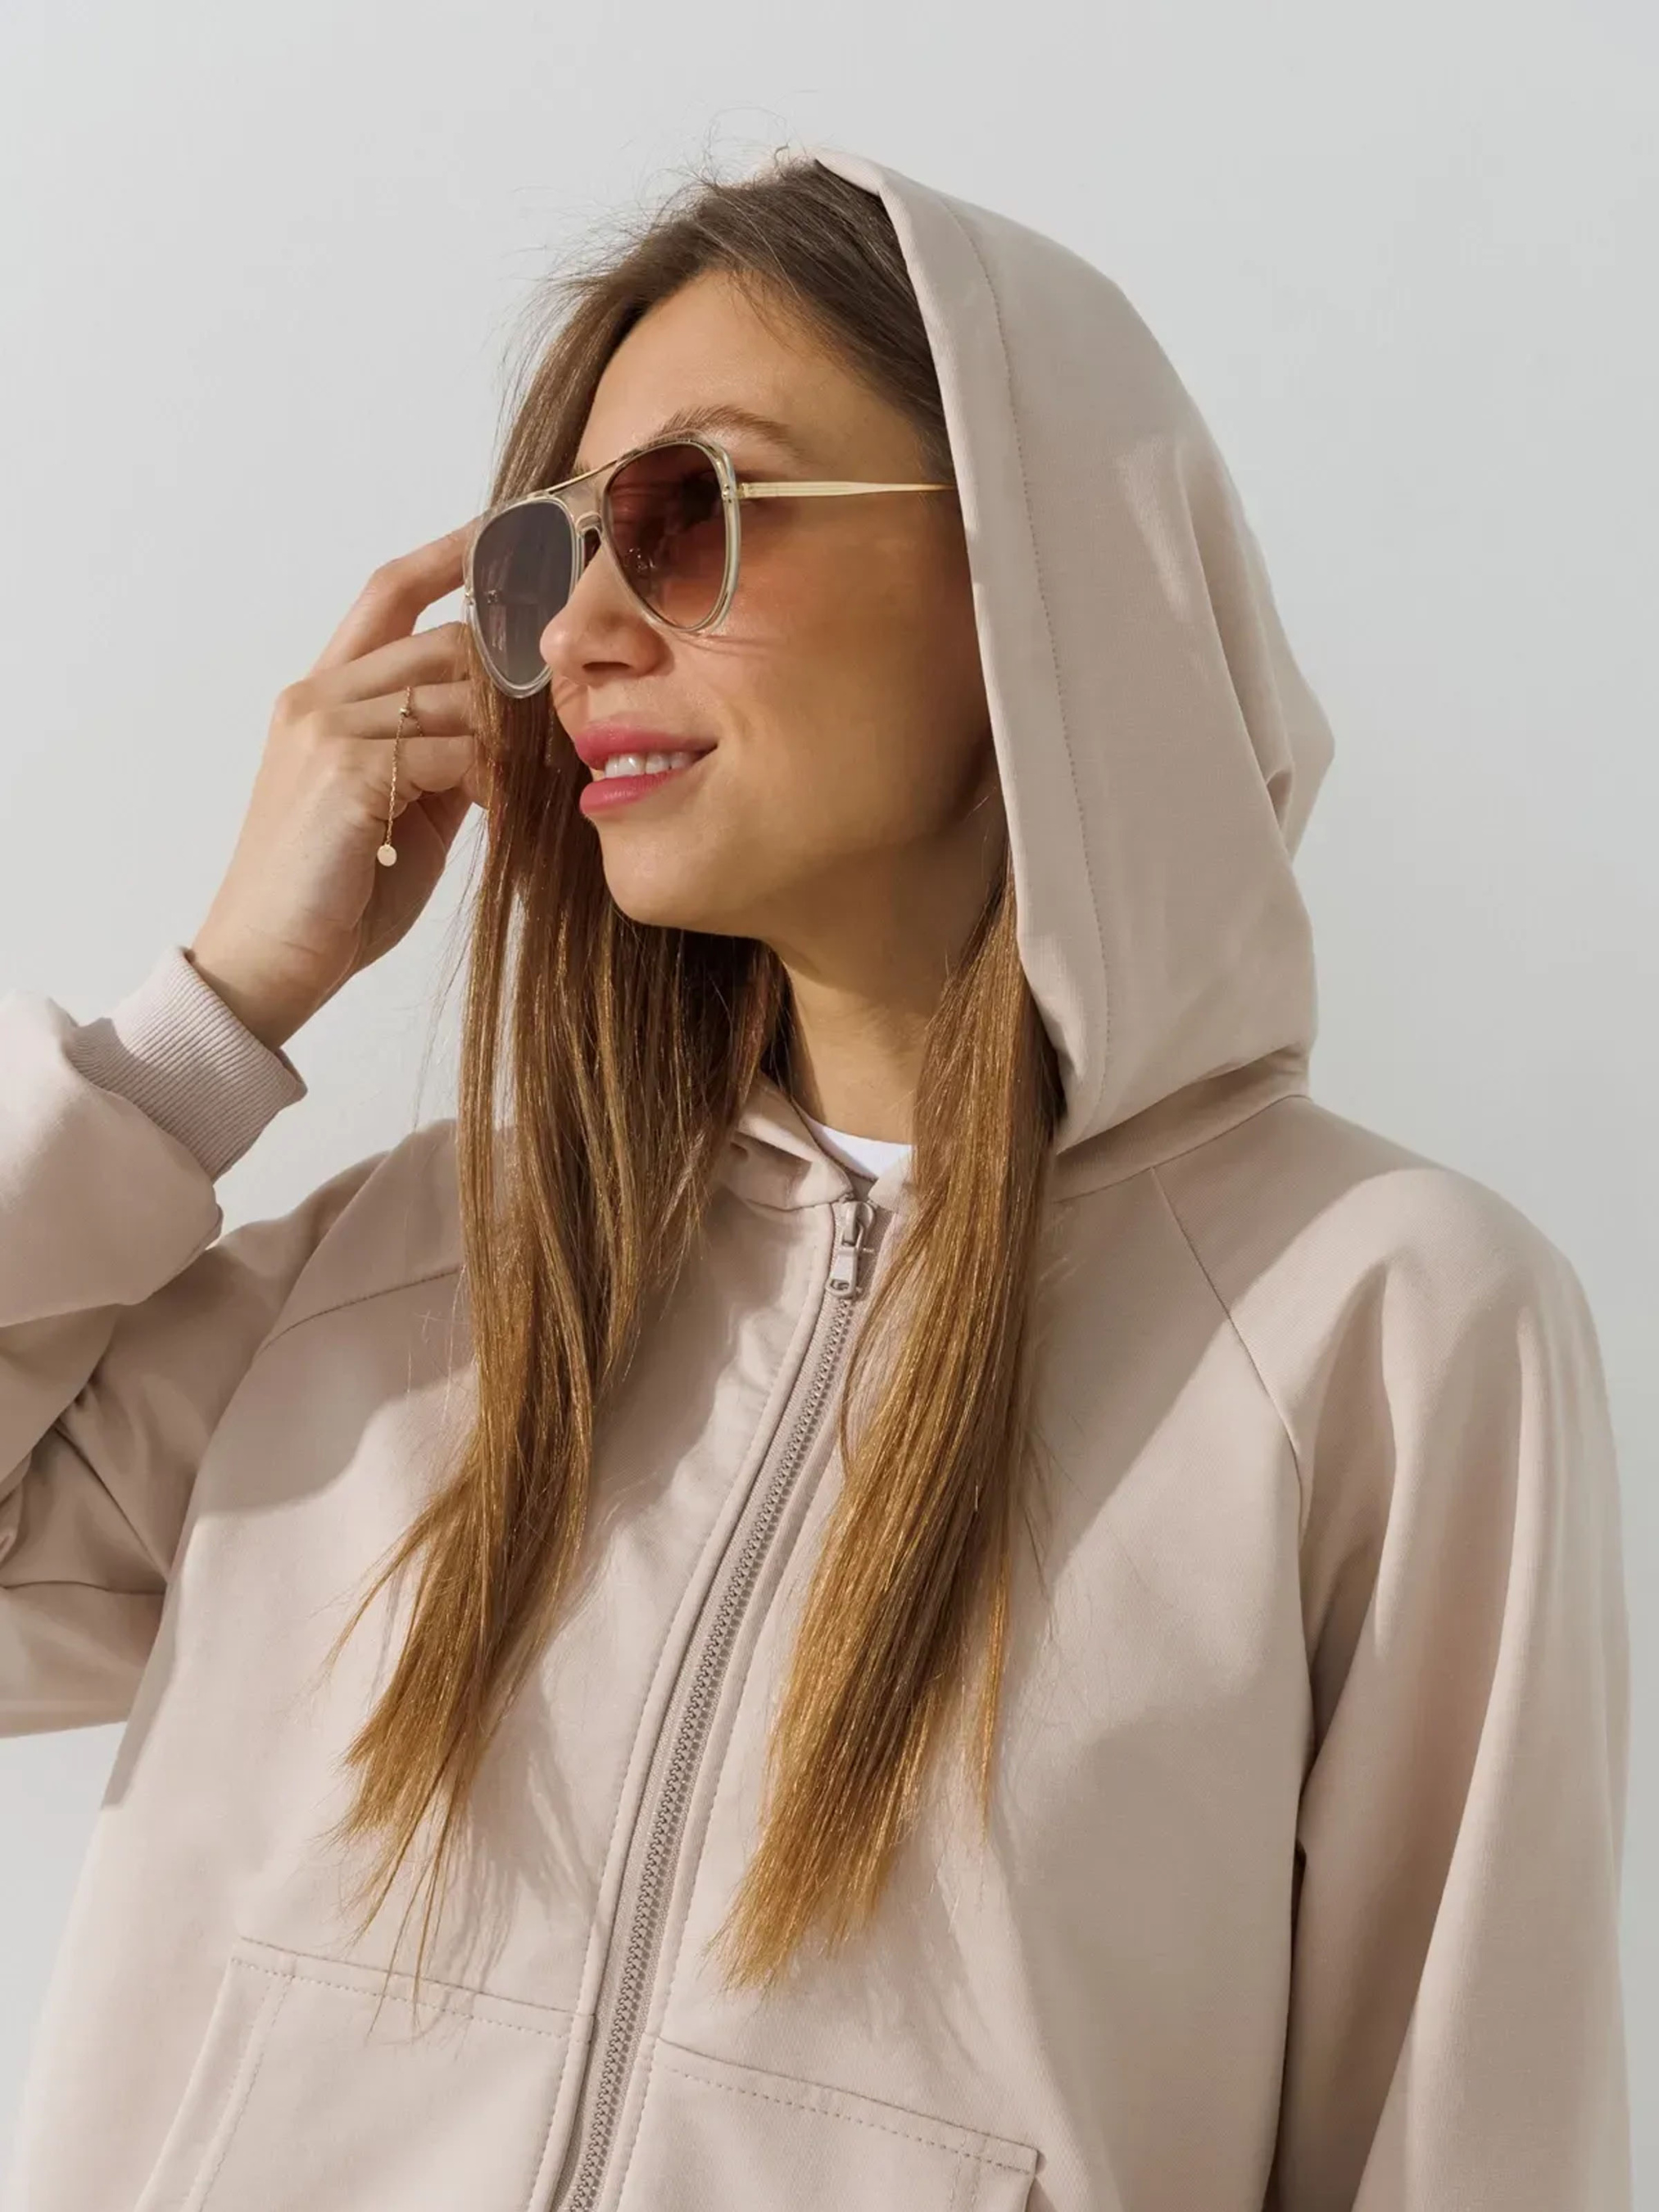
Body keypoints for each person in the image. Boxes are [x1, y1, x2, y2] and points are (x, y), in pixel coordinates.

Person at [0, 143, 1630, 2212]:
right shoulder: (424, 1274)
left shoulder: (1377, 1327)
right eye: (548, 558)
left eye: (684, 518)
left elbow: (1461, 2146)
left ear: (1025, 566)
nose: (580, 632)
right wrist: (216, 1013)